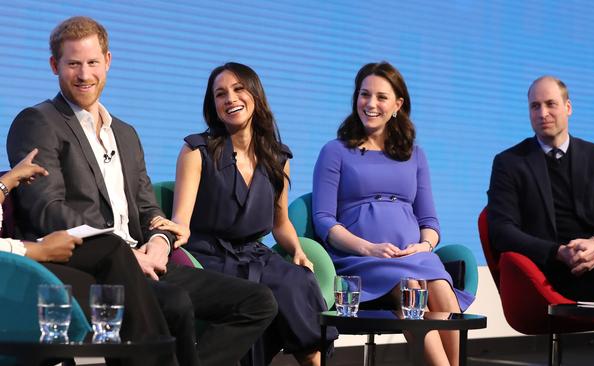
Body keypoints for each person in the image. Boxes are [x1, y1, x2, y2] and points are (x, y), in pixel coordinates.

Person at [6, 16, 277, 366]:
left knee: (258, 302)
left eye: (92, 62)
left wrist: (160, 243)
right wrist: (121, 252)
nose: (84, 74)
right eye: (73, 64)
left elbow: (149, 208)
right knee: (175, 302)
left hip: (146, 259)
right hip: (91, 265)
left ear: (108, 61)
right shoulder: (38, 121)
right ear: (54, 66)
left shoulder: (127, 133)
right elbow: (47, 209)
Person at [161, 62, 336, 366]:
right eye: (220, 94)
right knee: (265, 291)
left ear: (255, 95)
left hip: (253, 254)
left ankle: (313, 359)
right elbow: (182, 220)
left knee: (300, 282)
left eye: (238, 89)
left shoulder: (277, 158)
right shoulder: (196, 150)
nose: (230, 98)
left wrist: (296, 250)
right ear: (213, 105)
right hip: (209, 256)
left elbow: (280, 224)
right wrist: (167, 237)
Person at [312, 62, 474, 366]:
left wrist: (424, 246)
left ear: (398, 104)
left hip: (412, 257)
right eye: (364, 94)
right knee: (412, 287)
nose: (370, 104)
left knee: (439, 284)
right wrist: (367, 247)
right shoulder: (334, 151)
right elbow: (323, 219)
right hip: (360, 260)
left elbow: (430, 222)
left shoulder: (415, 155)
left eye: (381, 97)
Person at [487, 75, 594, 300]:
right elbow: (501, 232)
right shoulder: (510, 162)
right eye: (535, 106)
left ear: (568, 107)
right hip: (556, 268)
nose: (542, 113)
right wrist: (558, 252)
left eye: (550, 104)